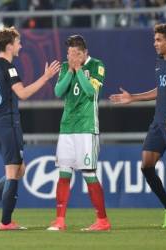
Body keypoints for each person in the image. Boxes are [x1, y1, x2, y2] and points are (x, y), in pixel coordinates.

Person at [110, 23, 166, 229]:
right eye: (154, 39)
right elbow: (160, 90)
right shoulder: (159, 63)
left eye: (158, 40)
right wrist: (133, 98)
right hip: (158, 122)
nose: (154, 43)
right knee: (146, 165)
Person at [0, 27, 60, 230]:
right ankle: (6, 222)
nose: (20, 46)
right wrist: (46, 77)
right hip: (9, 124)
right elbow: (22, 94)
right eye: (18, 42)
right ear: (9, 45)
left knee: (18, 170)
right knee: (13, 172)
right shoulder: (8, 67)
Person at [47, 34, 111, 231]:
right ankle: (60, 220)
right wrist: (71, 71)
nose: (70, 56)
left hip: (86, 127)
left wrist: (80, 71)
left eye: (75, 53)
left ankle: (102, 220)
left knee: (89, 173)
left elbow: (91, 92)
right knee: (64, 172)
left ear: (84, 54)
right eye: (68, 53)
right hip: (67, 127)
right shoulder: (67, 67)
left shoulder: (97, 65)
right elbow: (58, 92)